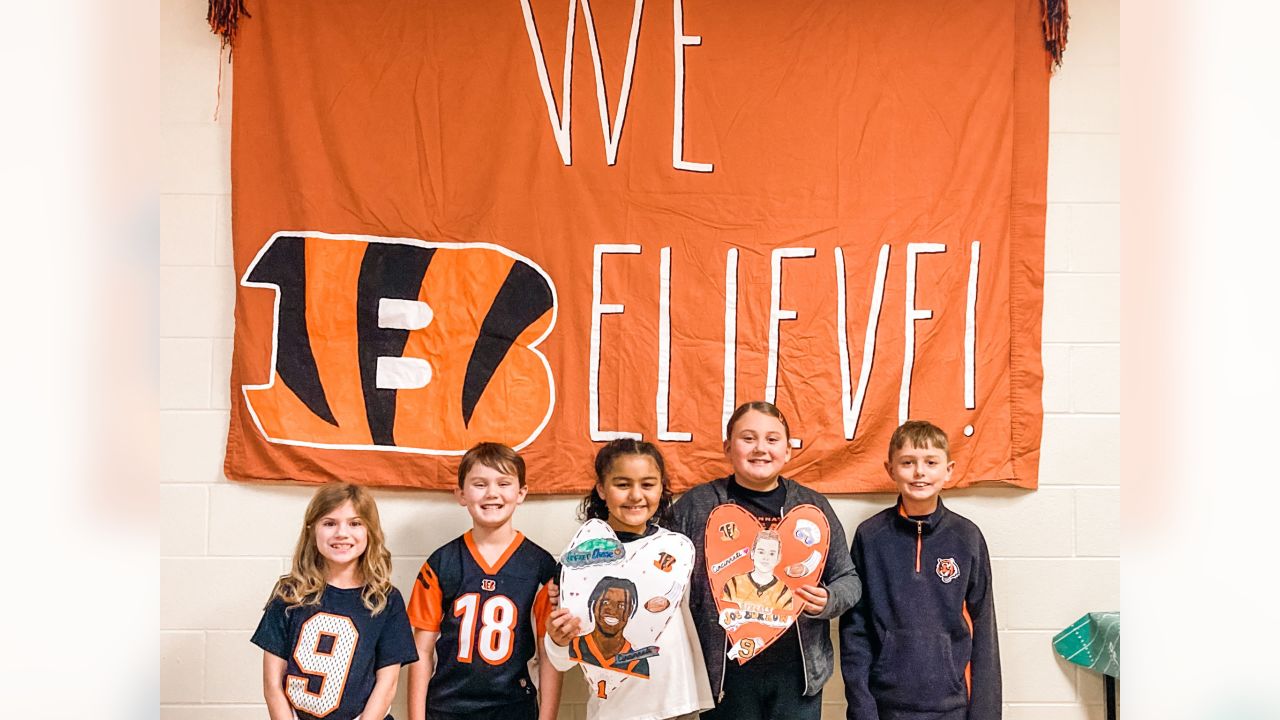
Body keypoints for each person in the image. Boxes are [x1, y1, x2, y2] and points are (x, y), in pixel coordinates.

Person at [671, 401, 862, 720]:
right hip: (722, 677)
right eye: (748, 438)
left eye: (772, 439)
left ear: (787, 451)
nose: (761, 448)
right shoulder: (696, 506)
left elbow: (849, 579)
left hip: (797, 678)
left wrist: (829, 600)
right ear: (728, 447)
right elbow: (652, 564)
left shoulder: (812, 507)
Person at [839, 420, 1001, 720]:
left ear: (948, 469)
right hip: (885, 706)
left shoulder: (967, 538)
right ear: (890, 470)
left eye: (930, 462)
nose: (919, 472)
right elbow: (855, 630)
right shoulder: (870, 537)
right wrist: (862, 708)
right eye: (907, 462)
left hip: (951, 707)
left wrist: (985, 713)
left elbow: (984, 633)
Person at [546, 438, 714, 720]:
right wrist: (558, 640)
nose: (636, 495)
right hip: (614, 711)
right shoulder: (579, 559)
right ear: (601, 489)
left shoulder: (678, 550)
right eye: (623, 484)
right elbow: (563, 662)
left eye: (647, 484)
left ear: (662, 489)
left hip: (677, 707)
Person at [406, 442, 562, 720]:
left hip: (513, 708)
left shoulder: (540, 566)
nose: (492, 493)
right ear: (461, 494)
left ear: (521, 493)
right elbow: (422, 650)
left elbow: (548, 654)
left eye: (504, 483)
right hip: (447, 707)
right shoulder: (441, 563)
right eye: (480, 484)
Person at [251, 482, 418, 720]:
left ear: (370, 531)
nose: (341, 533)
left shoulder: (385, 600)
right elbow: (272, 684)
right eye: (329, 523)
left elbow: (387, 684)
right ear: (312, 530)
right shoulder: (290, 593)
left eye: (355, 523)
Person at [567, 576, 650, 677]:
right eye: (606, 602)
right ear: (594, 604)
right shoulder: (575, 647)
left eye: (622, 605)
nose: (613, 610)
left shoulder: (637, 661)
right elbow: (558, 662)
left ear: (630, 611)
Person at [719, 530, 795, 614]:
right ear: (752, 554)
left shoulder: (783, 593)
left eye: (772, 554)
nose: (766, 558)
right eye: (761, 552)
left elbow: (787, 619)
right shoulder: (734, 584)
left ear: (778, 558)